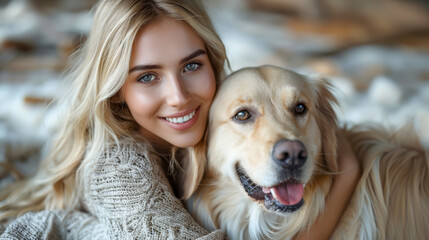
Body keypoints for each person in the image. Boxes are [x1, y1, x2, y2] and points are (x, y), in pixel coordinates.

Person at [0, 0, 360, 239]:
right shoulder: (123, 170)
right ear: (115, 91)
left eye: (191, 65)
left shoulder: (209, 123)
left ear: (214, 62)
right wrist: (346, 175)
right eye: (147, 76)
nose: (179, 96)